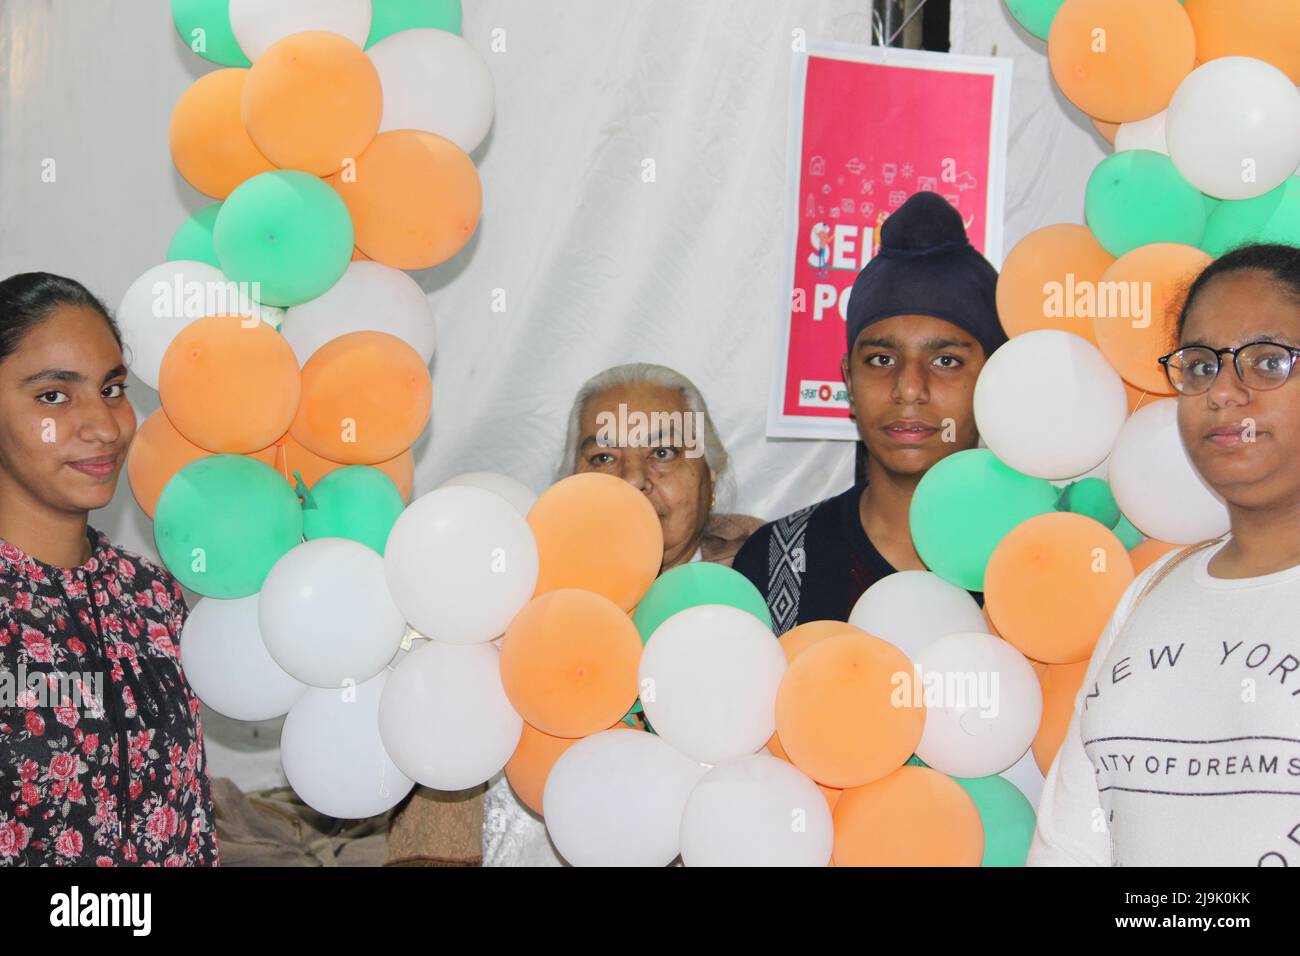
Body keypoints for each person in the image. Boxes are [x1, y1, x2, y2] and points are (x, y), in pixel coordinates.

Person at [1030, 243, 1300, 867]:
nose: (1224, 393)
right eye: (1201, 366)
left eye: (1265, 362)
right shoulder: (1153, 592)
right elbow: (1071, 847)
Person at [481, 362, 761, 866]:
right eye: (605, 456)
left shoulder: (769, 600)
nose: (634, 479)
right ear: (572, 483)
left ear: (710, 480)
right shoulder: (512, 617)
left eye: (662, 453)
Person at [0, 272, 218, 865]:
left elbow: (188, 816)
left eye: (113, 388)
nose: (104, 426)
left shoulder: (148, 595)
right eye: (53, 395)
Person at [732, 192, 1007, 633]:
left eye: (945, 361)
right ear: (848, 381)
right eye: (881, 360)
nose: (909, 389)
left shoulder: (1035, 559)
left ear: (995, 378)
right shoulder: (776, 562)